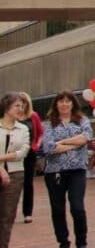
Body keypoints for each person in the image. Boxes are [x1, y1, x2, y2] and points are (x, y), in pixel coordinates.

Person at [41, 90, 93, 248]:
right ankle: (63, 241)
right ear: (56, 104)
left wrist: (62, 142)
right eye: (61, 101)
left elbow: (86, 137)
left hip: (77, 170)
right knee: (58, 209)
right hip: (54, 172)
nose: (64, 104)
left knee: (77, 207)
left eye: (68, 101)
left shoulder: (82, 120)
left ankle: (81, 242)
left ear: (73, 103)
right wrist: (74, 143)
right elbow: (49, 148)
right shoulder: (49, 123)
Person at [0, 93, 30, 247]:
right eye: (17, 105)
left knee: (8, 216)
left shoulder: (23, 128)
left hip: (15, 174)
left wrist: (1, 159)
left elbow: (22, 153)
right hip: (2, 172)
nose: (21, 109)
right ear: (6, 107)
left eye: (22, 106)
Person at [16, 92, 42, 224]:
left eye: (24, 102)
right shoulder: (12, 116)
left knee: (28, 183)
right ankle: (9, 211)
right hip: (14, 154)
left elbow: (40, 132)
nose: (22, 105)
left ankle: (27, 213)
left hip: (30, 153)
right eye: (19, 102)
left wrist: (36, 145)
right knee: (13, 182)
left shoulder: (33, 115)